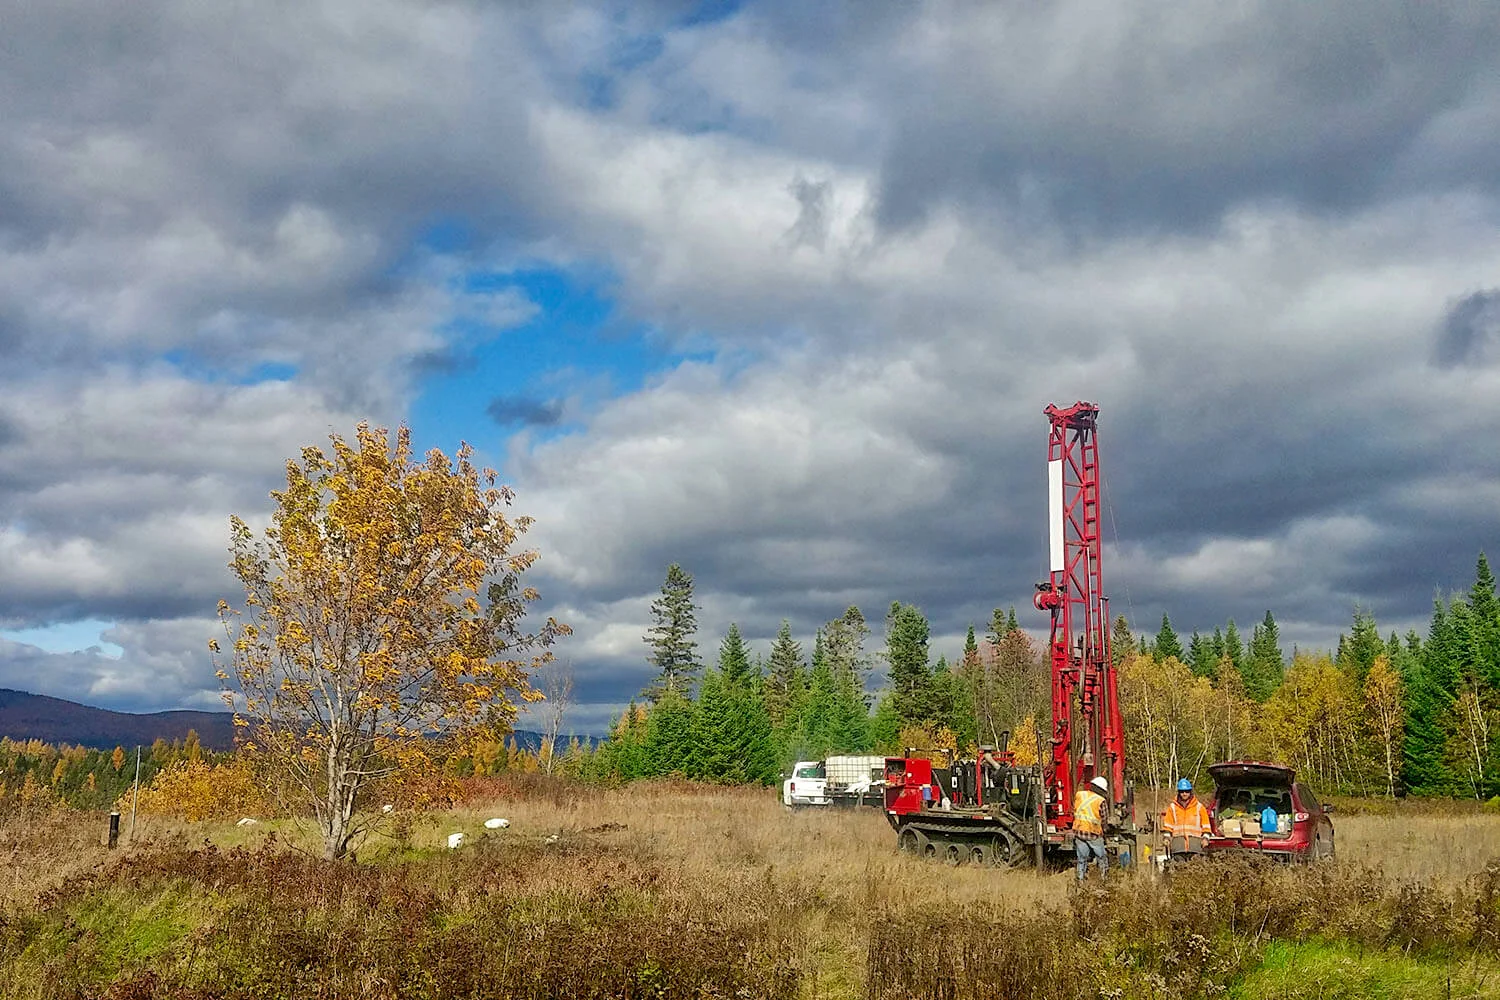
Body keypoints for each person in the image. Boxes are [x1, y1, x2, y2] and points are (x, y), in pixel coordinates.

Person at [1161, 778, 1212, 859]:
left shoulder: (1199, 807)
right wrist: (1166, 838)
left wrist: (1205, 839)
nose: (1184, 794)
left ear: (1190, 792)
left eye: (1187, 791)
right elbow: (1168, 827)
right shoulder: (1172, 807)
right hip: (1178, 847)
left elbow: (1206, 827)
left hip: (1196, 847)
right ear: (1179, 792)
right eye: (1182, 791)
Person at [1073, 775, 1110, 881]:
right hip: (1093, 834)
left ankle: (1080, 880)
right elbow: (1104, 819)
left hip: (1079, 832)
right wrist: (1105, 829)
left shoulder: (1080, 794)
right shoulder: (1101, 801)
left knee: (1081, 858)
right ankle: (1104, 879)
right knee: (1101, 857)